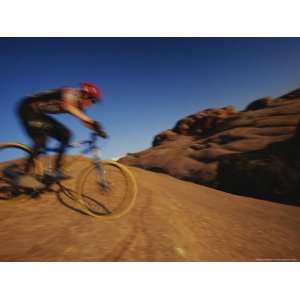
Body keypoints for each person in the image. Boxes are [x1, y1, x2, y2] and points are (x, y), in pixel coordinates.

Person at [17, 82, 108, 182]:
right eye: (93, 101)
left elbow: (84, 120)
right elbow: (67, 106)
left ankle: (56, 171)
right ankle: (23, 173)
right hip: (27, 108)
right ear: (86, 95)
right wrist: (91, 121)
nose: (92, 104)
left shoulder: (79, 105)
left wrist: (98, 129)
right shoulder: (71, 92)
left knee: (66, 135)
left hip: (39, 113)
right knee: (41, 139)